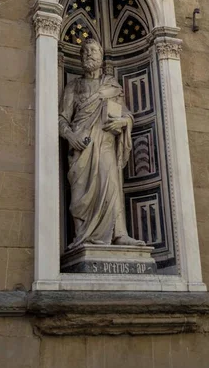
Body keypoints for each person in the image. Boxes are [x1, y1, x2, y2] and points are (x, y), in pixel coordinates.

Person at [59, 38, 145, 249]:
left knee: (111, 185)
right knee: (80, 194)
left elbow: (126, 115)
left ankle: (119, 234)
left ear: (102, 56)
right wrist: (71, 136)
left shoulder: (112, 86)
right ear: (80, 58)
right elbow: (61, 119)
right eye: (85, 51)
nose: (89, 54)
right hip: (82, 147)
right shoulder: (74, 86)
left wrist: (123, 122)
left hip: (105, 144)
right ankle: (82, 238)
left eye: (93, 50)